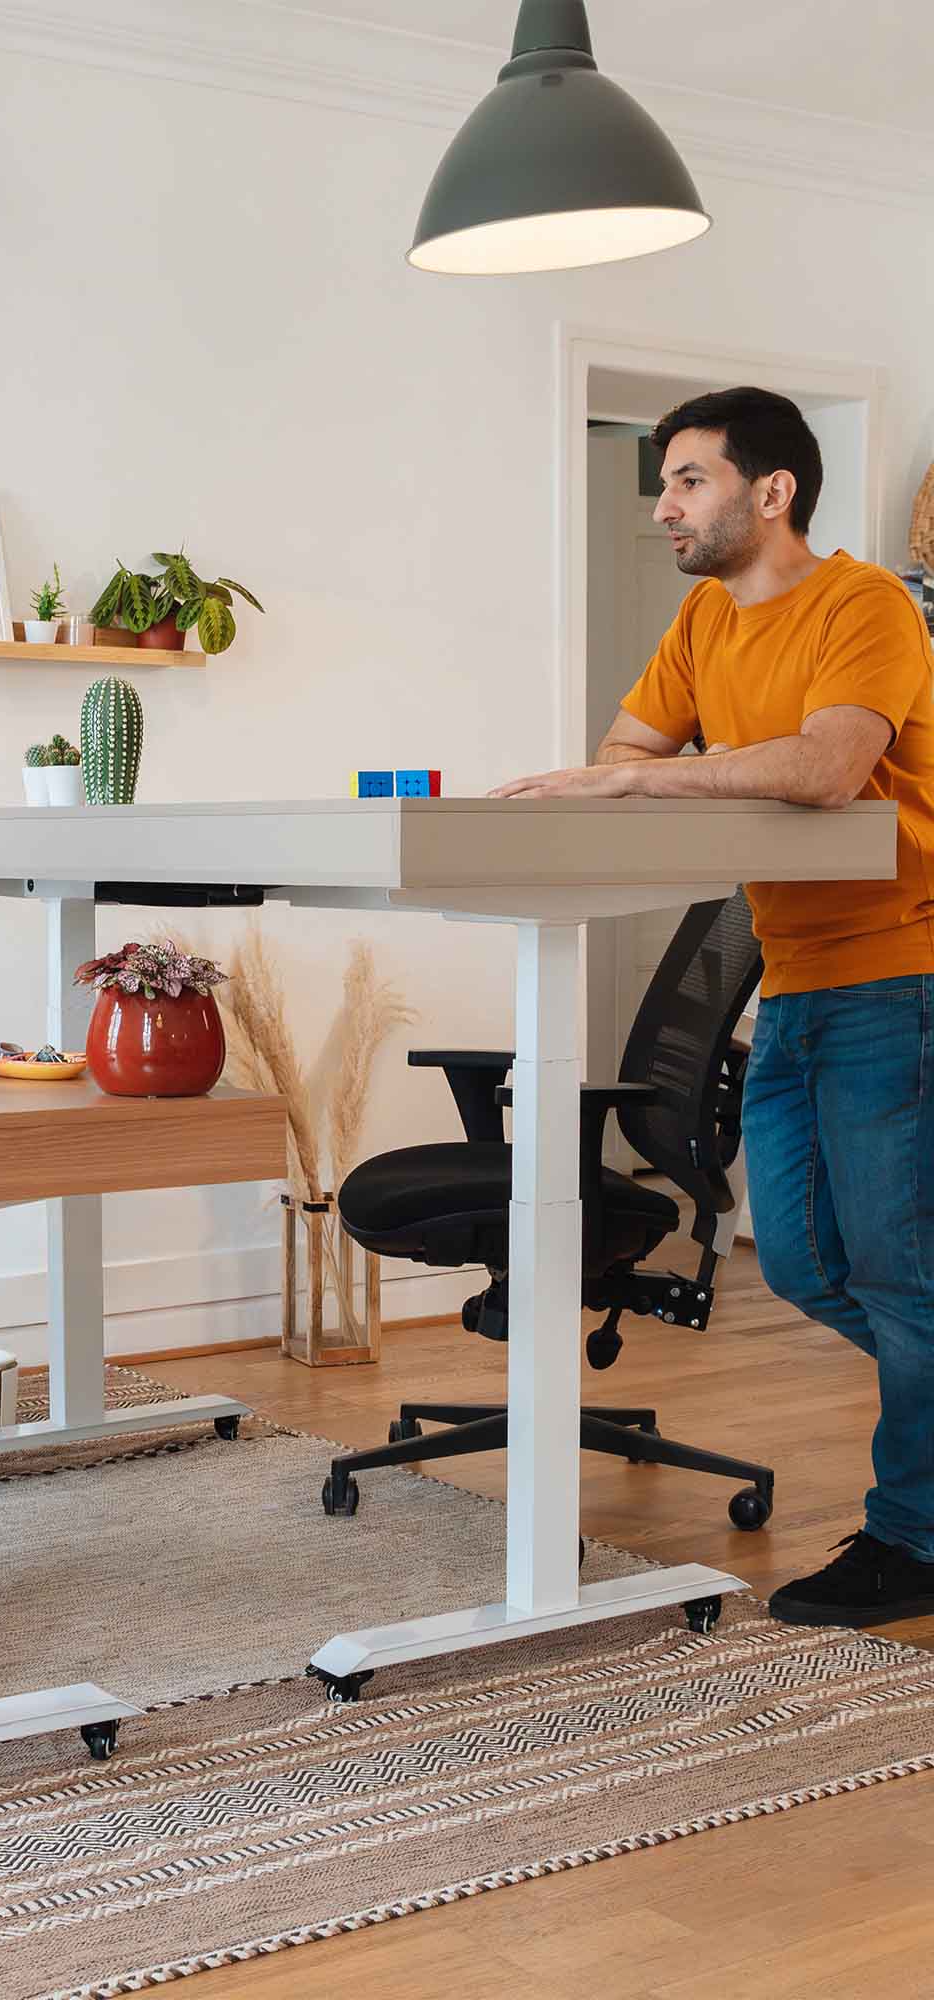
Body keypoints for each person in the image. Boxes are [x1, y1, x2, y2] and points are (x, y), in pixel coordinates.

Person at [493, 386, 934, 1627]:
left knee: (897, 1275)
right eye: (663, 483)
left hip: (898, 969)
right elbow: (621, 754)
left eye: (688, 478)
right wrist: (650, 778)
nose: (663, 506)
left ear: (771, 490)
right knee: (796, 1260)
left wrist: (655, 782)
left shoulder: (864, 605)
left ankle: (911, 1539)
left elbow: (827, 763)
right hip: (791, 978)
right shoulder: (701, 617)